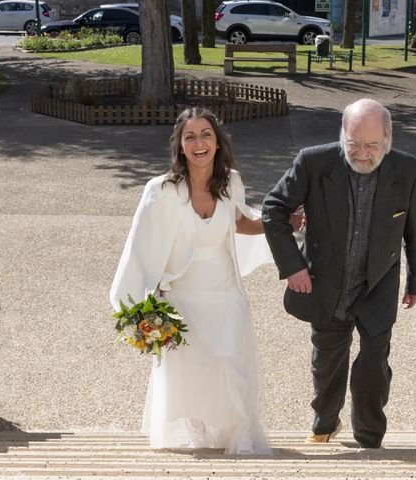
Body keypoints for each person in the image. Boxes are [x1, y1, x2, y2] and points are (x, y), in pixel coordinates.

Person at [110, 107, 293, 454]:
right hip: (181, 296)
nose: (199, 142)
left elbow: (241, 223)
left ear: (217, 142)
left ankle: (239, 434)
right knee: (190, 373)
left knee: (229, 363)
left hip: (225, 293)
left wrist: (285, 224)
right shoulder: (160, 190)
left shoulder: (231, 181)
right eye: (190, 136)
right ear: (180, 145)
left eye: (205, 134)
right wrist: (138, 299)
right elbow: (140, 244)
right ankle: (198, 433)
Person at [262, 98, 416, 449]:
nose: (363, 153)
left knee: (373, 367)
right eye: (354, 143)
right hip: (327, 283)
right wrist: (293, 266)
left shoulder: (408, 170)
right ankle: (325, 422)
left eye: (372, 145)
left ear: (388, 138)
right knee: (326, 363)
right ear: (342, 135)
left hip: (379, 284)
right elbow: (274, 208)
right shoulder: (314, 162)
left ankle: (370, 438)